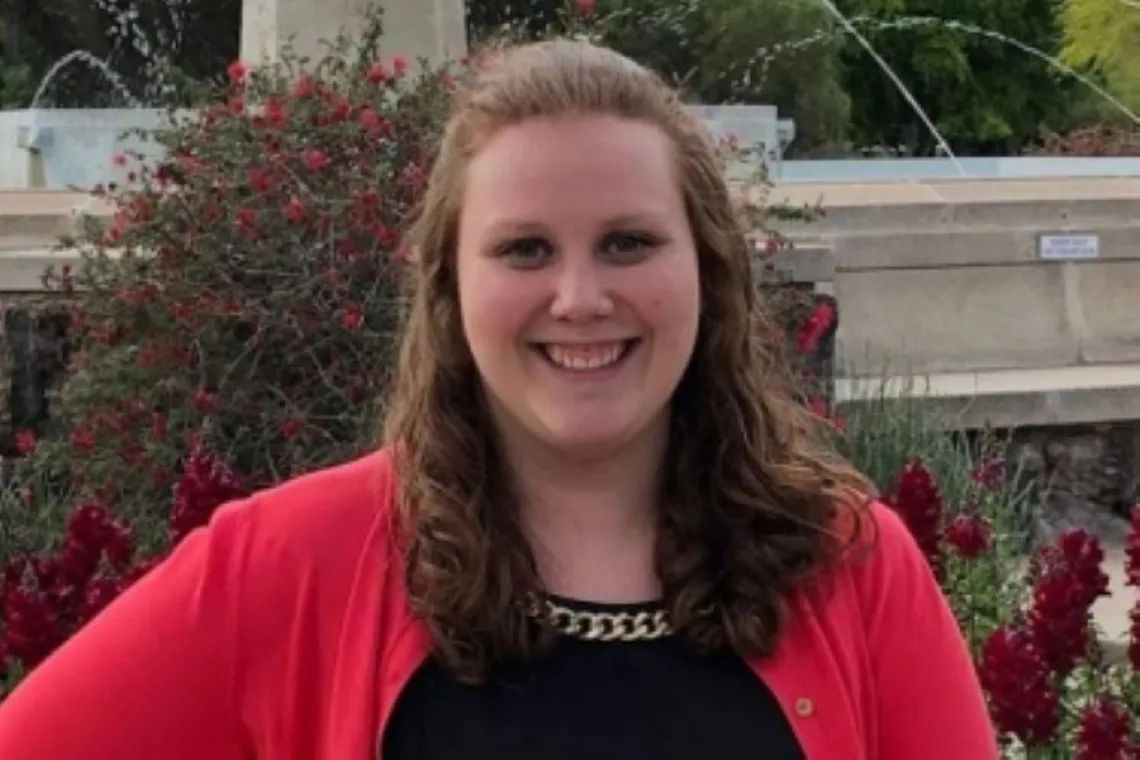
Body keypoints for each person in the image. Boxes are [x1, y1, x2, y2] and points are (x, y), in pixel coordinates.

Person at [0, 39, 997, 759]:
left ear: (709, 267)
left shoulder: (853, 569)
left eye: (628, 242)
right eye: (525, 248)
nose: (579, 298)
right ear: (449, 285)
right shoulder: (290, 562)